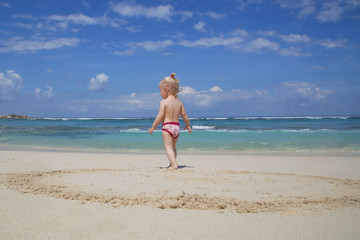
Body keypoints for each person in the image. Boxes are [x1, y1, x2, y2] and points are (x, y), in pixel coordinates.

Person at [148, 73, 192, 170]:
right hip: (176, 127)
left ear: (166, 90)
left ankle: (174, 165)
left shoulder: (163, 102)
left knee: (168, 148)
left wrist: (153, 127)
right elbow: (184, 114)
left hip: (167, 127)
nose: (160, 93)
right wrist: (188, 125)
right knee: (173, 148)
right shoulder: (179, 102)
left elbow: (160, 115)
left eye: (160, 90)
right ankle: (172, 163)